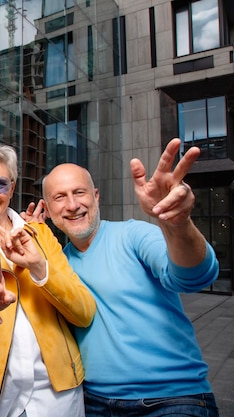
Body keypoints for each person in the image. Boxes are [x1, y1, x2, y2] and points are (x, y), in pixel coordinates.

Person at [26, 138, 220, 416]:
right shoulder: (55, 264)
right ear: (47, 208)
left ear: (96, 196)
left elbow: (194, 276)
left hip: (171, 399)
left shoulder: (133, 235)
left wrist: (178, 224)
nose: (72, 205)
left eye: (79, 193)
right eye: (60, 197)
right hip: (92, 402)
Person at [0, 142, 97, 417]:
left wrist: (38, 266)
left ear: (12, 188)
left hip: (57, 393)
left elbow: (84, 313)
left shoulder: (41, 235)